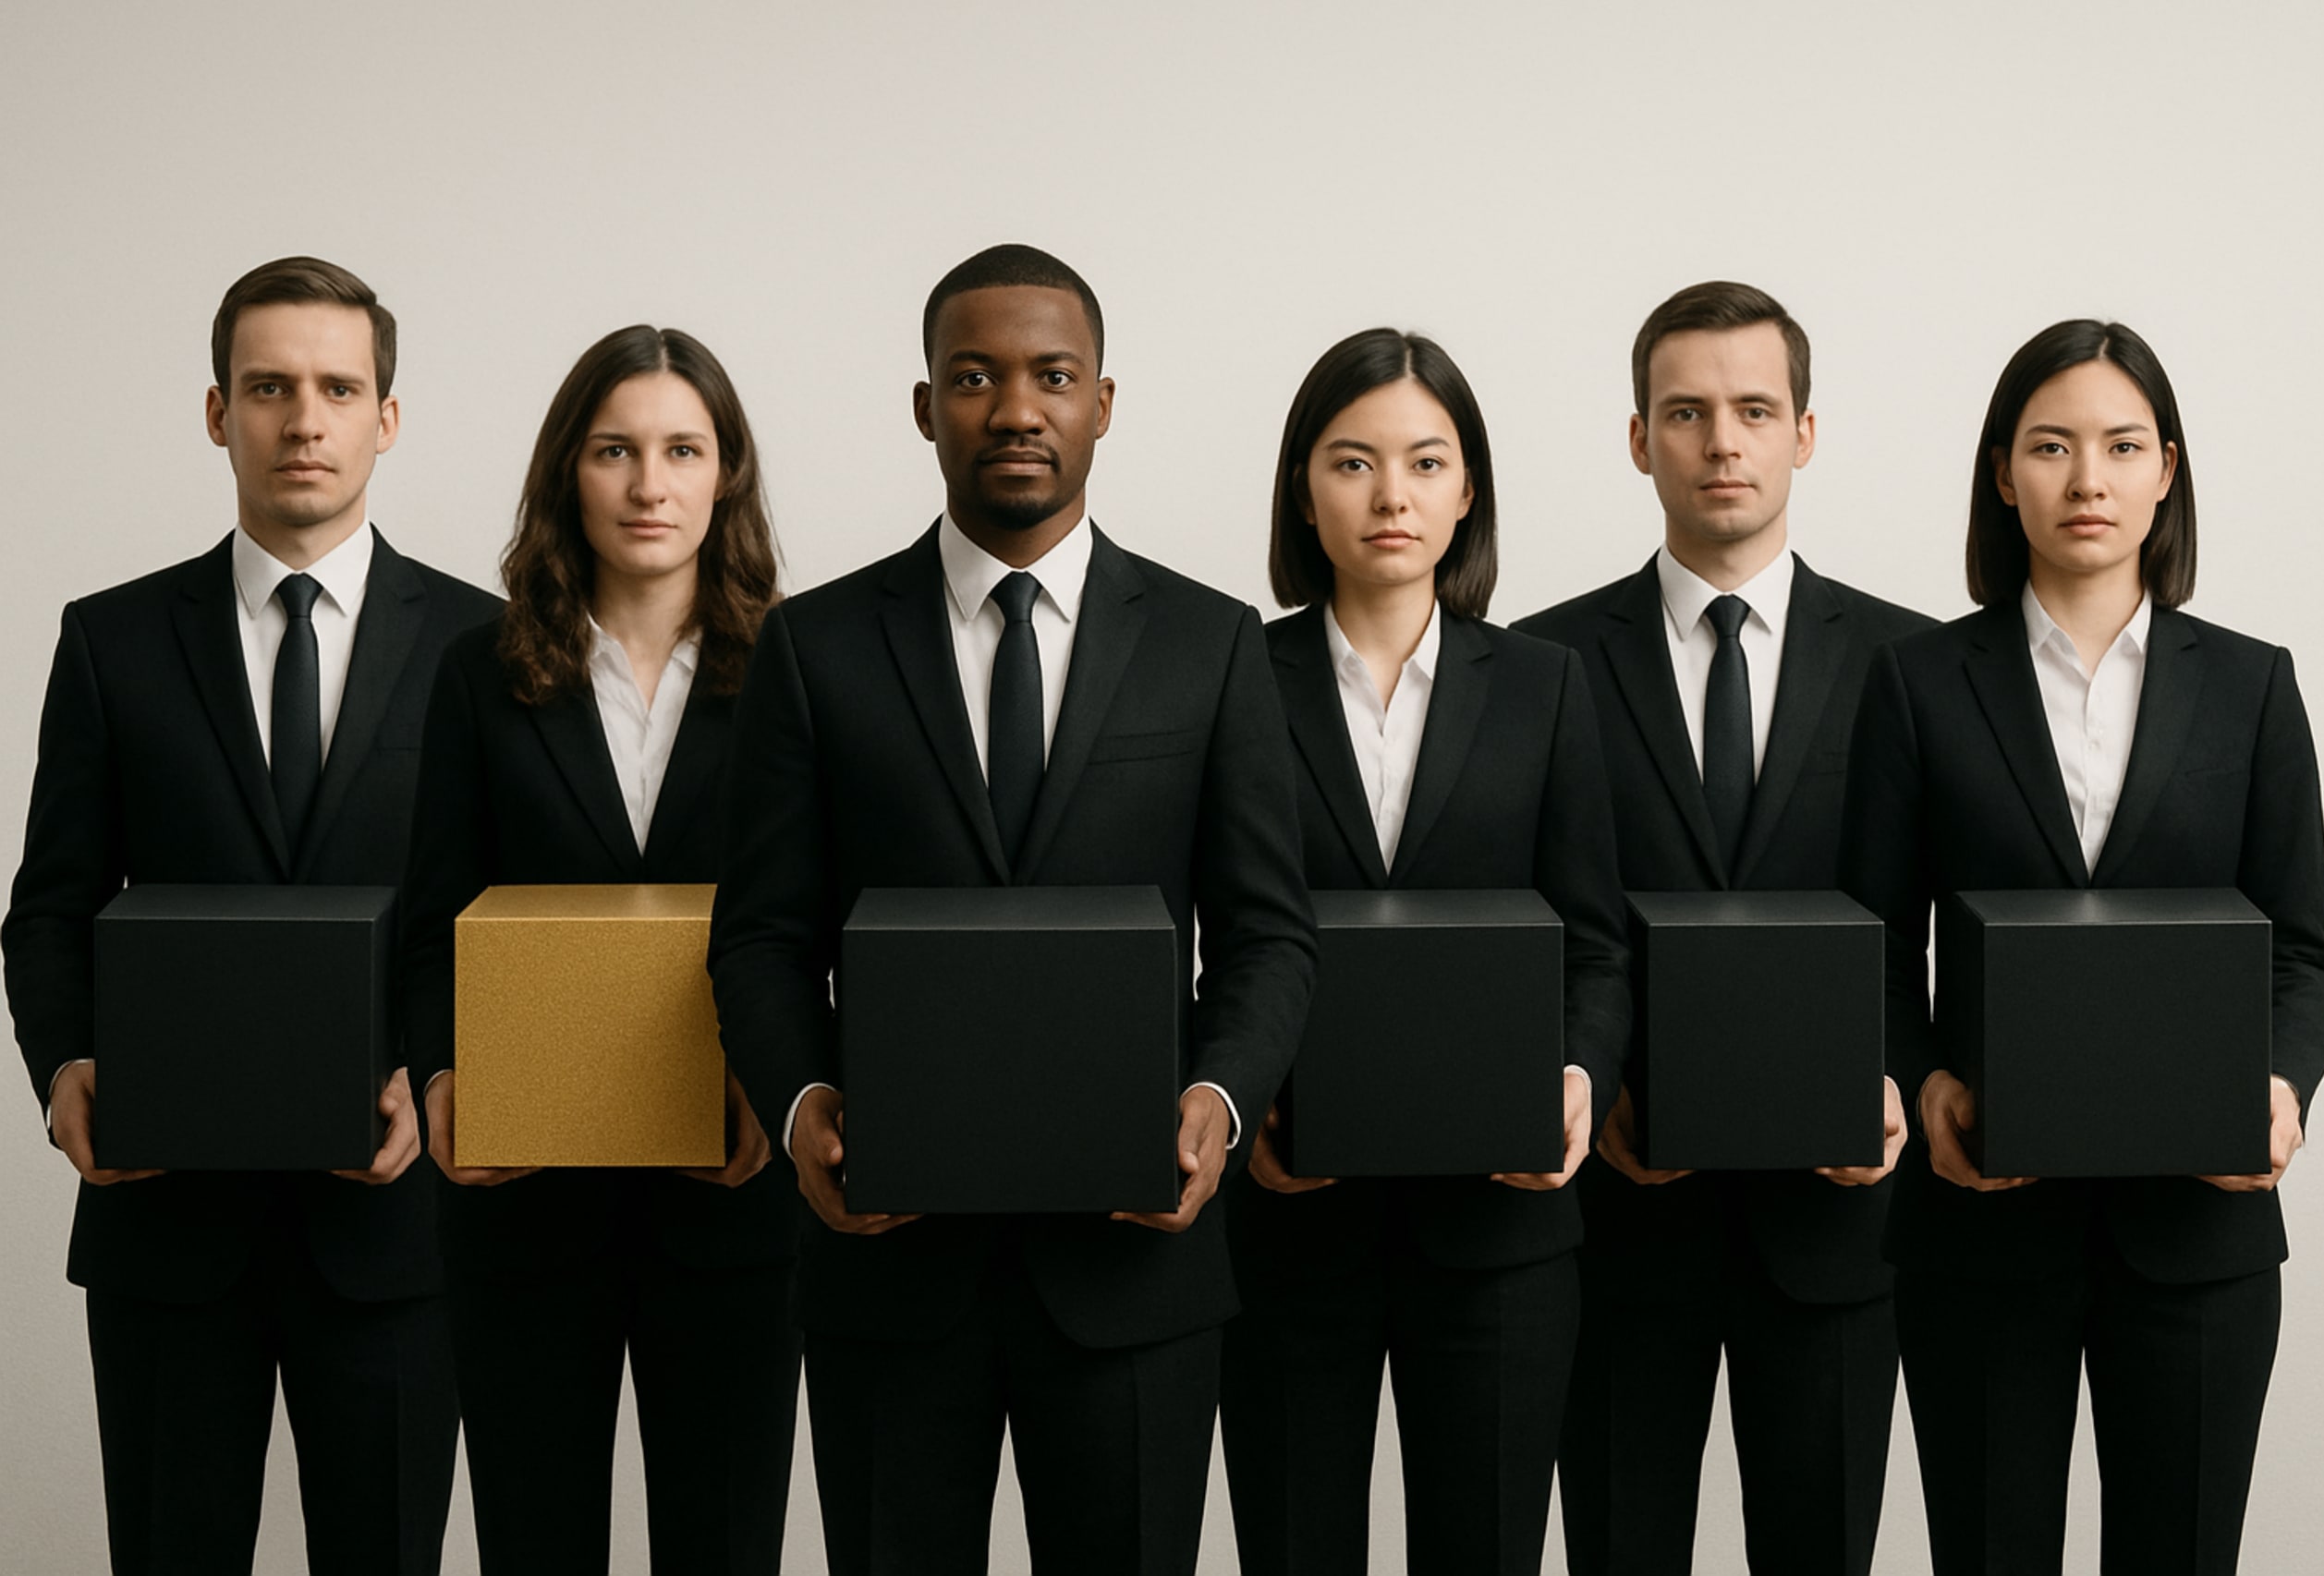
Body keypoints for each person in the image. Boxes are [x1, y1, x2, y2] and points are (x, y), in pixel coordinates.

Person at [706, 242, 1317, 1576]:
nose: (1017, 407)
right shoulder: (815, 647)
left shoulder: (1209, 644)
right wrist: (806, 1116)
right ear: (926, 406)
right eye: (975, 376)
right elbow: (756, 937)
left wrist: (1213, 1108)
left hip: (1134, 1269)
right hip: (887, 1265)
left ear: (1105, 400)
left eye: (1053, 374)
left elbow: (1268, 935)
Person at [2, 256, 495, 1575]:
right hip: (167, 1222)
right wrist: (62, 1074)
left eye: (339, 387)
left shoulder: (486, 645)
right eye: (269, 386)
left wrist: (443, 1069)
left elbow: (492, 922)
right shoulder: (111, 640)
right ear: (217, 412)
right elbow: (50, 907)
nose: (305, 419)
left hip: (397, 1229)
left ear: (388, 417)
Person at [1839, 319, 2324, 1575]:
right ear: (2003, 471)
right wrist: (1924, 1081)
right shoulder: (1917, 682)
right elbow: (1875, 942)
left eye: (2121, 446)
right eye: (2051, 447)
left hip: (2200, 1235)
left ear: (2166, 469)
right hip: (1980, 1221)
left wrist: (2279, 1089)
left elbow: (2302, 953)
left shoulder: (2252, 685)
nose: (2088, 479)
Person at [1516, 281, 1928, 1574]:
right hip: (1622, 1222)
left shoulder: (1911, 665)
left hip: (1836, 1221)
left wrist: (1905, 1086)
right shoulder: (1542, 666)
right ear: (1639, 437)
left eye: (1755, 409)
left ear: (1807, 431)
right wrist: (1594, 1081)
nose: (1723, 442)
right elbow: (1540, 921)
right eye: (1686, 412)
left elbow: (1937, 919)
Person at [1220, 327, 1629, 1575]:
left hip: (1500, 1236)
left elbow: (1599, 945)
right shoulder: (1230, 670)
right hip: (1289, 1226)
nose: (1391, 495)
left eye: (1424, 462)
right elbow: (1208, 930)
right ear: (1305, 486)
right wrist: (1236, 1103)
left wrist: (1579, 1079)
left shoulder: (1548, 684)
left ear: (1467, 491)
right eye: (1352, 462)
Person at [399, 325, 798, 1574]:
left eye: (683, 449)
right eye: (616, 449)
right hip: (528, 1202)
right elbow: (429, 923)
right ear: (568, 470)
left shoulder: (802, 665)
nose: (648, 484)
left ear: (725, 471)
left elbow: (822, 924)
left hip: (733, 1198)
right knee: (532, 1539)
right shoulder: (478, 672)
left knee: (724, 1544)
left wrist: (788, 1090)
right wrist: (442, 1076)